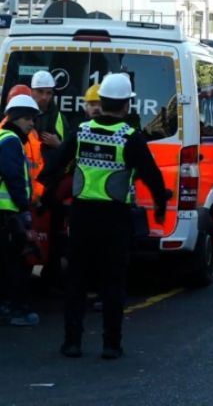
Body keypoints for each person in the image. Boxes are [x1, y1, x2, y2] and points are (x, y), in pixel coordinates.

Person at [39, 73, 169, 359]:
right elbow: (151, 175)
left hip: (82, 216)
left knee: (76, 281)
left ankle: (71, 342)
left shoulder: (81, 132)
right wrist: (160, 203)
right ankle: (111, 344)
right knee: (113, 283)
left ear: (104, 102)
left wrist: (45, 192)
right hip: (115, 218)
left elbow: (56, 166)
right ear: (125, 106)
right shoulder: (130, 137)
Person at [0, 95, 41, 326]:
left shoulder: (3, 137)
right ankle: (17, 310)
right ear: (15, 118)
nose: (31, 124)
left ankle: (7, 305)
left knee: (6, 264)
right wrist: (24, 210)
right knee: (17, 264)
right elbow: (13, 177)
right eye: (28, 118)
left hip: (5, 214)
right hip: (8, 213)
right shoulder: (11, 141)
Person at [31, 71, 69, 165]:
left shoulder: (59, 118)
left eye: (48, 93)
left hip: (50, 174)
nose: (44, 97)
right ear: (31, 91)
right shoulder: (22, 115)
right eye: (40, 91)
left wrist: (58, 144)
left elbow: (69, 152)